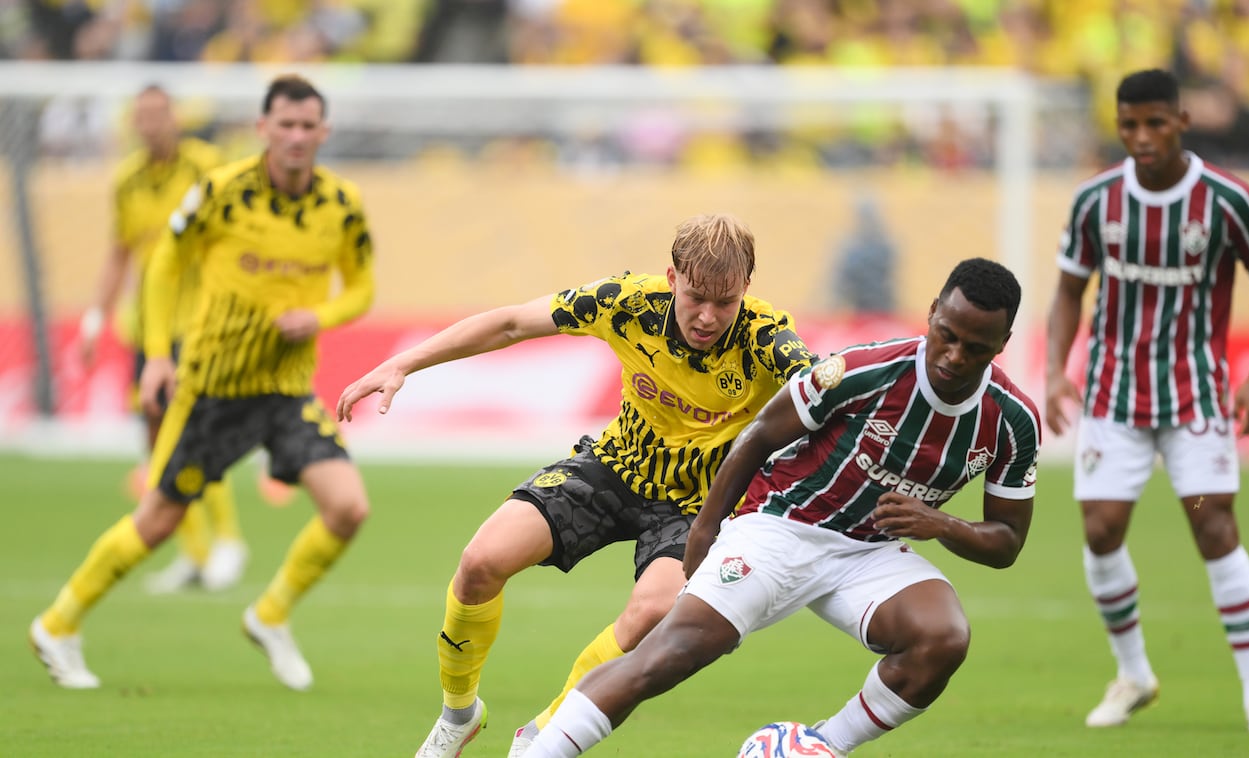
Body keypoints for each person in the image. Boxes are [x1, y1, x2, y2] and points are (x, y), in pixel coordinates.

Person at [334, 213, 817, 758]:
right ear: (672, 276)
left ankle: (544, 734)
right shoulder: (626, 301)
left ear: (746, 289)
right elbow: (513, 323)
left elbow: (830, 398)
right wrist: (403, 363)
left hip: (698, 504)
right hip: (617, 465)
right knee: (479, 562)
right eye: (695, 297)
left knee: (653, 614)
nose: (707, 317)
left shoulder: (768, 339)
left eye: (724, 303)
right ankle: (458, 715)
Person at [523, 257, 1040, 758]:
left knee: (942, 638)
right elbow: (761, 433)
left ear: (1003, 344)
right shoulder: (863, 370)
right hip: (782, 523)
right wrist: (704, 532)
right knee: (671, 654)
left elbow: (1006, 543)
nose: (954, 356)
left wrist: (940, 523)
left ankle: (818, 748)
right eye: (947, 334)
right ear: (932, 313)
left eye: (976, 348)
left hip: (869, 553)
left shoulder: (1013, 420)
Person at [29, 74, 376, 693]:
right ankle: (58, 623)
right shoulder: (220, 191)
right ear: (263, 128)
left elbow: (361, 287)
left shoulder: (342, 205)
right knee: (158, 521)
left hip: (285, 390)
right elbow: (163, 263)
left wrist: (318, 317)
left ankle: (269, 615)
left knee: (348, 507)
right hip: (213, 387)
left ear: (323, 133)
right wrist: (158, 354)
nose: (296, 137)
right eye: (285, 125)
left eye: (307, 127)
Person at [1044, 68, 1249, 732]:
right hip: (1111, 394)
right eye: (1129, 125)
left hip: (1196, 397)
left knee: (1213, 528)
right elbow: (1068, 289)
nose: (1141, 137)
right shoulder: (1095, 200)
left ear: (1182, 122)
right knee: (1099, 531)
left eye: (1155, 122)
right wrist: (1053, 372)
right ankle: (1132, 675)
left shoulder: (1228, 199)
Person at [79, 84, 249, 595]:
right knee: (157, 438)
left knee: (197, 430)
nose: (150, 124)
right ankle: (191, 551)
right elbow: (120, 252)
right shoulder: (128, 180)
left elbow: (237, 235)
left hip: (201, 324)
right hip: (149, 328)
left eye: (158, 114)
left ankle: (229, 541)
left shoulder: (207, 165)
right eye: (142, 116)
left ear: (174, 117)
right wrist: (95, 317)